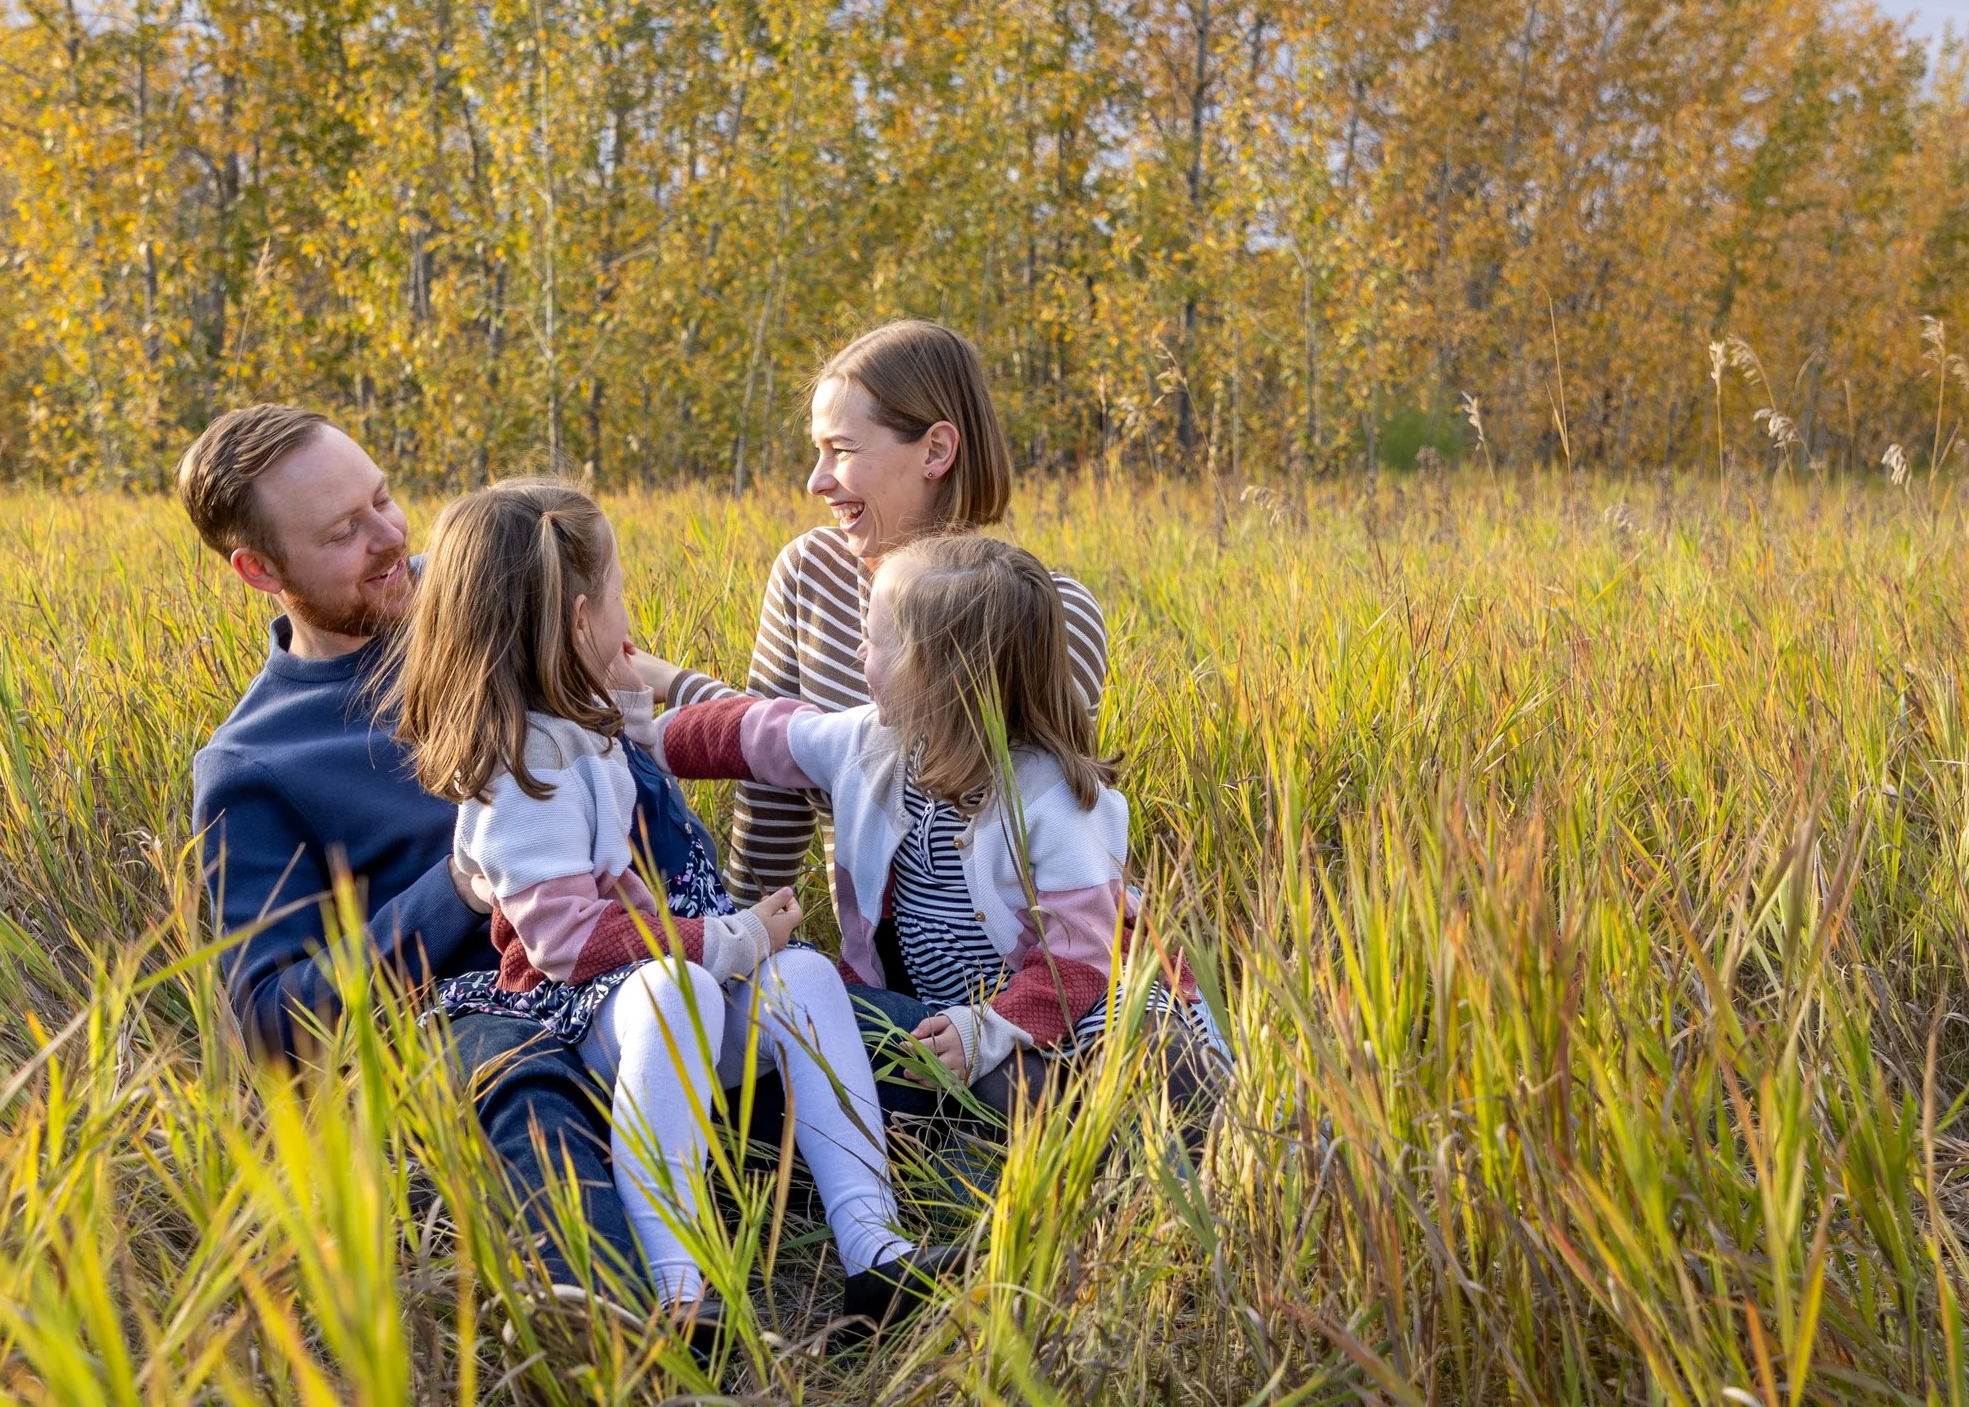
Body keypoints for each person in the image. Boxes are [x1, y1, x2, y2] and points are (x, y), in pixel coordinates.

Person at [395, 479, 953, 1335]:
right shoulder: (521, 776)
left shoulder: (577, 726)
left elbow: (663, 746)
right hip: (570, 1013)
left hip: (644, 986)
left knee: (804, 976)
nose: (630, 613)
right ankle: (677, 1286)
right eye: (618, 591)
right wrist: (728, 937)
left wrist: (627, 698)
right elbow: (566, 945)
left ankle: (872, 1247)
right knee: (677, 989)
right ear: (581, 620)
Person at [179, 405, 636, 1285]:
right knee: (519, 1079)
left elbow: (628, 691)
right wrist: (461, 885)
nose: (392, 537)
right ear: (258, 570)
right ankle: (636, 1336)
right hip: (476, 1022)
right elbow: (275, 1024)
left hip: (636, 959)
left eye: (383, 499)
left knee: (856, 1034)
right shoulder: (255, 763)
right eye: (345, 531)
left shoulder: (486, 594)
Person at [649, 534, 1227, 1124]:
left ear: (937, 678)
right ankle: (1059, 1126)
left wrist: (991, 1027)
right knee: (834, 1006)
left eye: (873, 642)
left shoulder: (1052, 800)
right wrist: (645, 736)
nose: (857, 655)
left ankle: (1205, 1131)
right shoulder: (869, 745)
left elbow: (1079, 960)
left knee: (1146, 1045)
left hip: (1082, 994)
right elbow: (756, 733)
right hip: (947, 1011)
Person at [661, 319, 1110, 903]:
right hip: (875, 967)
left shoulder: (1050, 612)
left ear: (936, 450)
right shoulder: (811, 570)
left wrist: (678, 685)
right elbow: (770, 797)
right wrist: (744, 948)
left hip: (1013, 969)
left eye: (842, 451)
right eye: (816, 451)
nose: (815, 481)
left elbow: (893, 768)